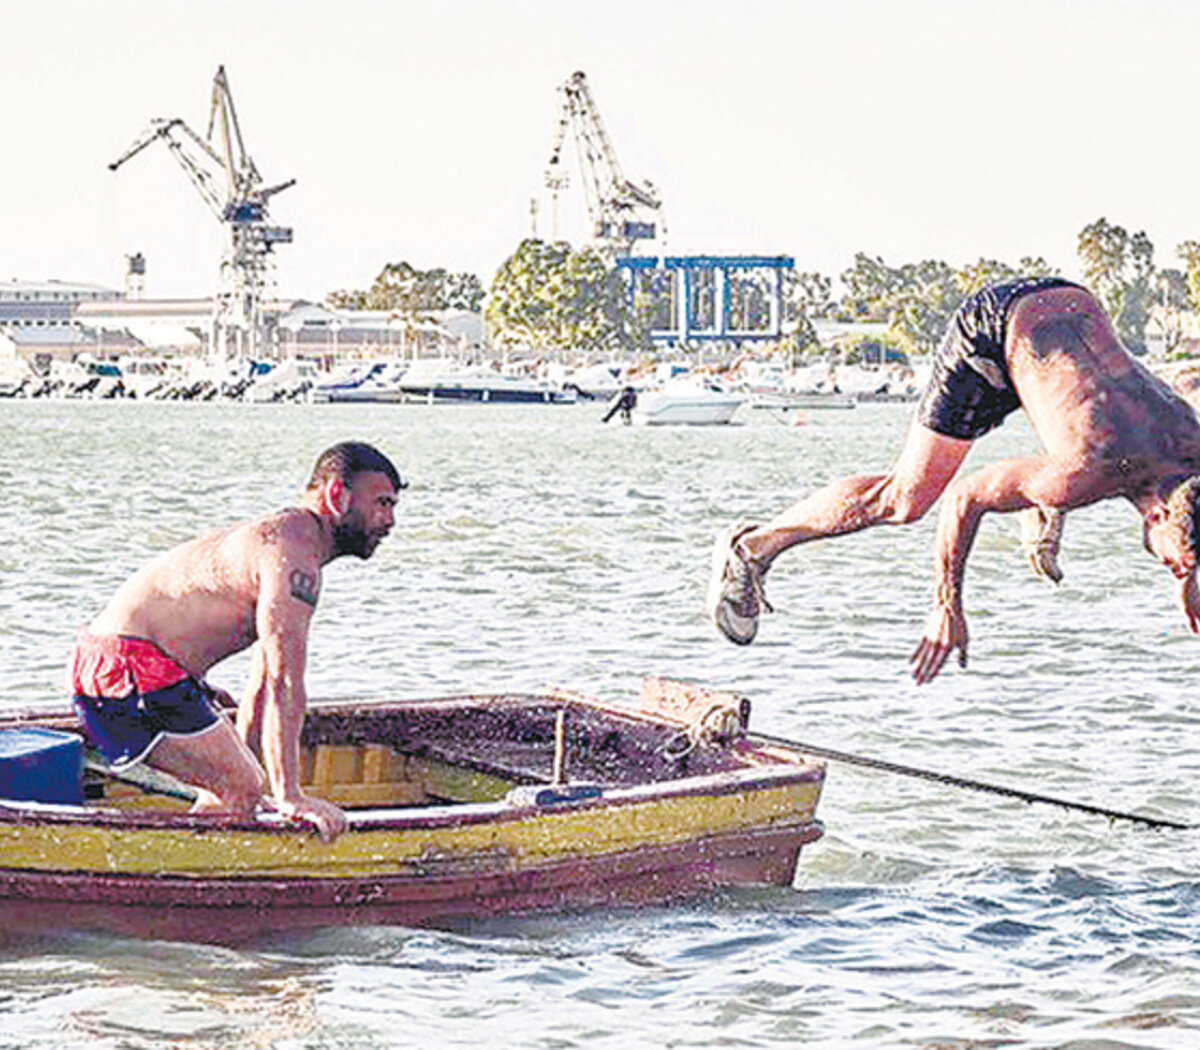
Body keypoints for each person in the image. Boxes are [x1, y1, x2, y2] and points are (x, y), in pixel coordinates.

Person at [707, 278, 1200, 683]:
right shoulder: (1084, 472)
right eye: (1174, 567)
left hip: (1066, 305)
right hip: (993, 332)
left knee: (1086, 456)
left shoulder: (1186, 448)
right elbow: (965, 497)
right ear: (1159, 514)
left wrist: (1190, 576)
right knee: (904, 499)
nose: (1173, 571)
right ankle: (751, 548)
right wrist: (947, 603)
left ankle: (1035, 501)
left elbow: (1153, 406)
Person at [67, 441, 404, 840]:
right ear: (336, 495)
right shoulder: (293, 557)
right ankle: (161, 868)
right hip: (127, 669)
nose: (390, 520)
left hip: (141, 670)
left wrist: (248, 769)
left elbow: (262, 683)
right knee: (243, 787)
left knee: (239, 787)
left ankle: (190, 861)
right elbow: (286, 683)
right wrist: (290, 795)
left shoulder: (295, 546)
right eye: (382, 503)